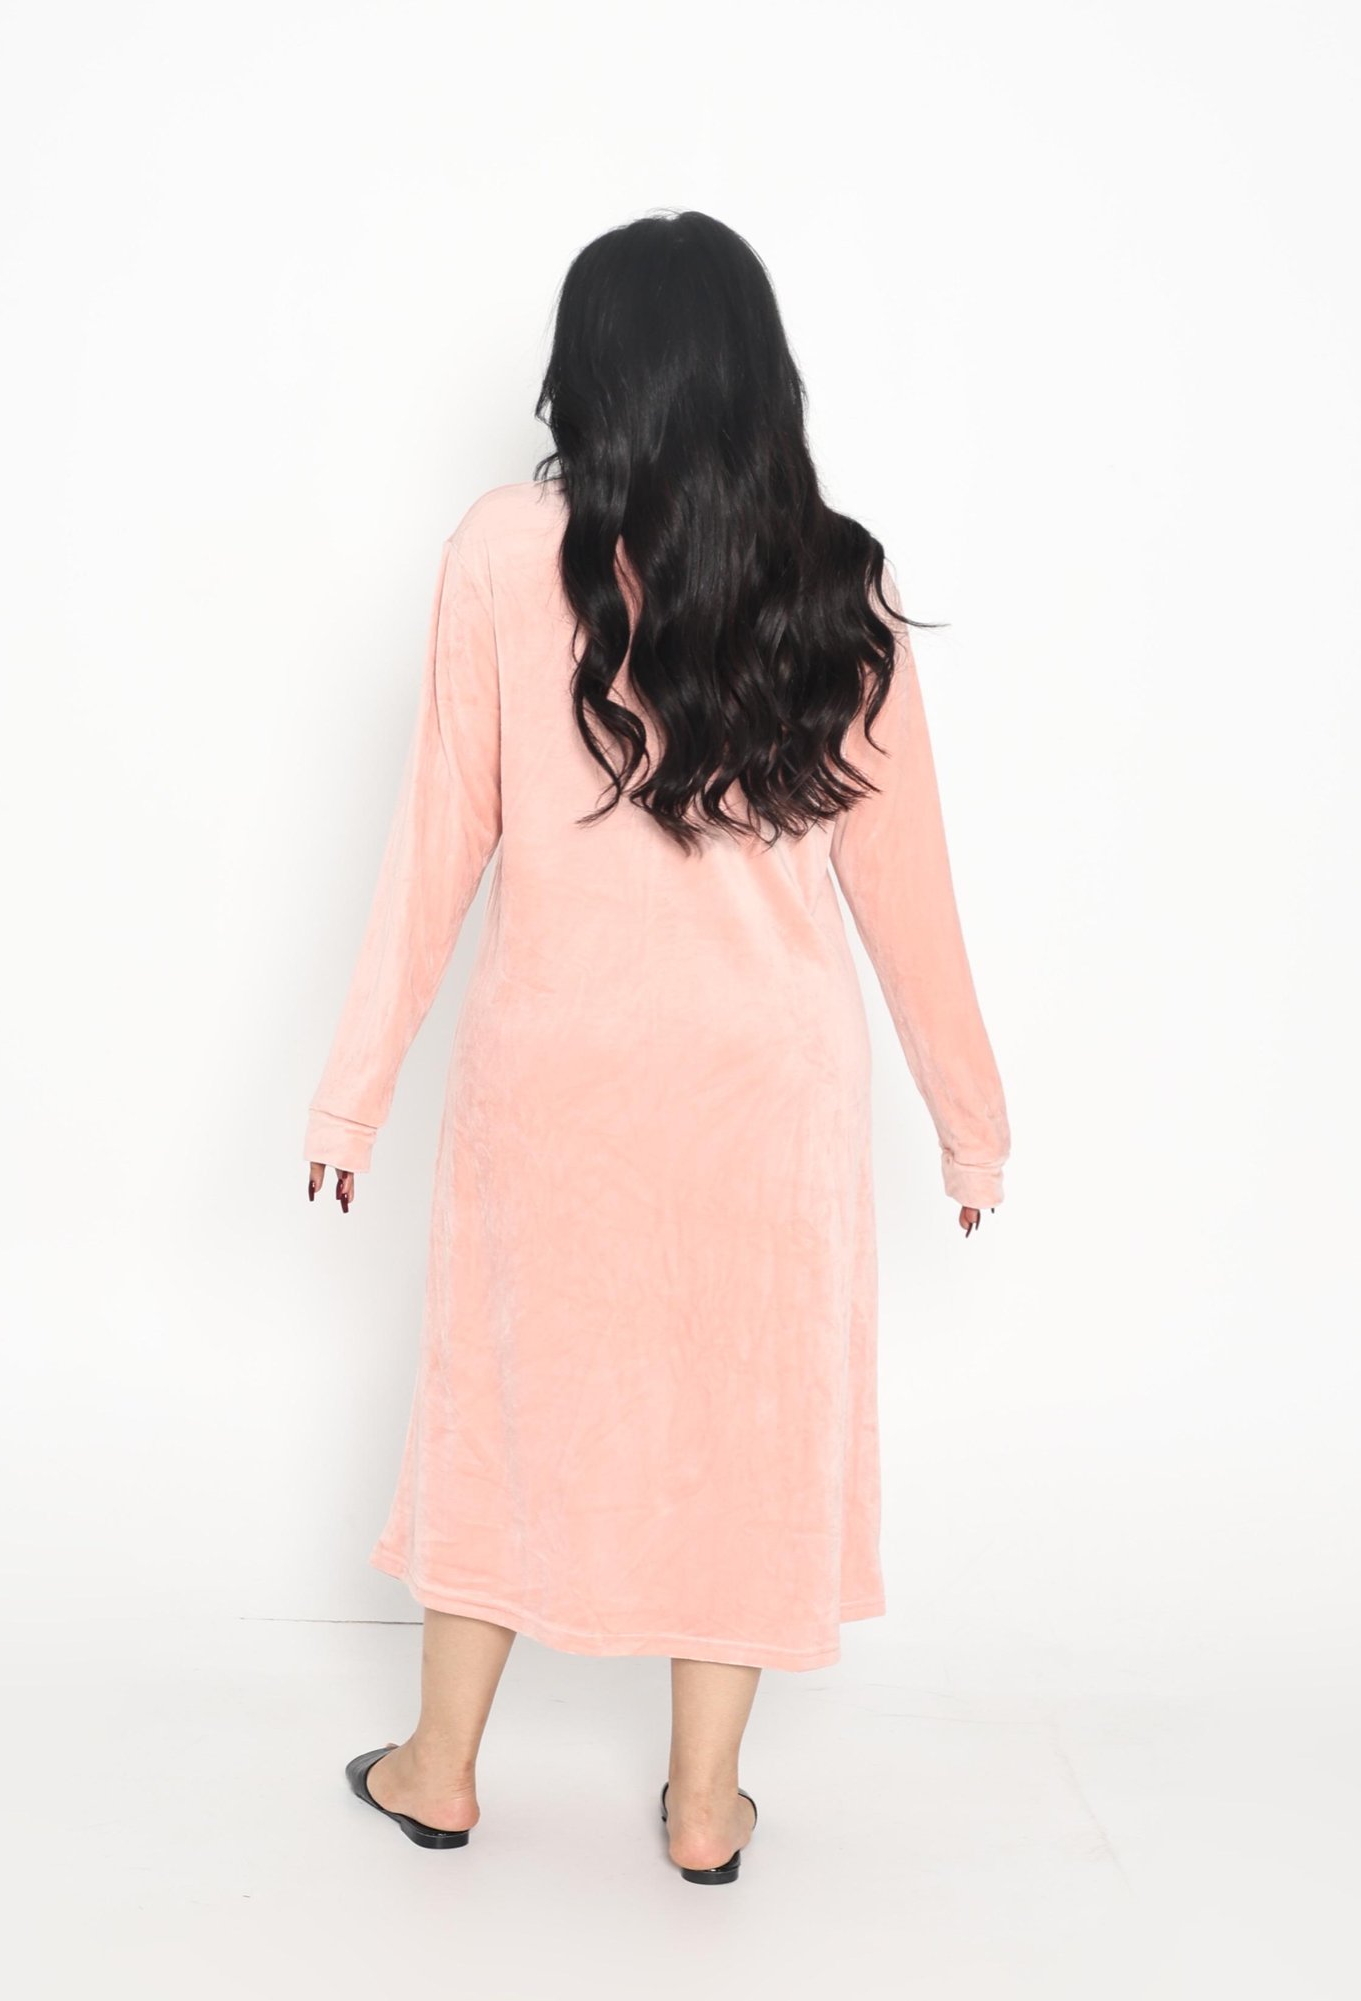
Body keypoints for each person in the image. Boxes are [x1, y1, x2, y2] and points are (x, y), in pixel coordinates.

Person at [304, 210, 1010, 1886]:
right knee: (747, 1422)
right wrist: (969, 1125)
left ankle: (439, 1768)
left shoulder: (502, 550)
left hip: (556, 1080)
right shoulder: (833, 578)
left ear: (592, 368)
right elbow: (910, 891)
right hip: (772, 1094)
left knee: (498, 1400)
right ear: (759, 372)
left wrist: (353, 1093)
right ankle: (705, 1807)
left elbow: (435, 837)